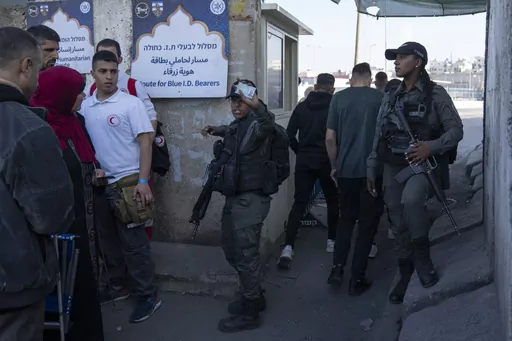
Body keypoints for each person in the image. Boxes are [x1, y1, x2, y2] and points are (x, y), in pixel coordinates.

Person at [367, 42, 463, 304]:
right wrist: (371, 166)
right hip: (392, 165)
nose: (396, 62)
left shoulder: (435, 94)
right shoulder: (391, 95)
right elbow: (378, 133)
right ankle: (404, 271)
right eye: (394, 58)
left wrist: (430, 147)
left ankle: (422, 259)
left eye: (402, 57)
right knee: (397, 221)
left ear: (418, 62)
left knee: (411, 202)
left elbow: (456, 131)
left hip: (420, 165)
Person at [0, 27, 74, 341]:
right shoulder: (27, 127)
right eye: (41, 68)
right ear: (26, 66)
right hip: (13, 288)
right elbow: (52, 217)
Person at [80, 50, 160, 323]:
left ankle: (148, 296)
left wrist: (142, 181)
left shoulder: (131, 104)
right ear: (93, 74)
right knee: (107, 243)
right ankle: (119, 287)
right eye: (103, 71)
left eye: (113, 71)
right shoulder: (86, 107)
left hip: (129, 183)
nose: (109, 77)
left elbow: (145, 142)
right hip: (100, 185)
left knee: (135, 245)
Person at [30, 66, 105, 341]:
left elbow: (87, 157)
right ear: (61, 96)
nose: (83, 96)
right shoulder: (40, 130)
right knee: (60, 298)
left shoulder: (75, 122)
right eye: (77, 92)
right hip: (58, 233)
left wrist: (95, 171)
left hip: (84, 226)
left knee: (83, 292)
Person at [200, 79, 276, 333]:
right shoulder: (239, 125)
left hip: (250, 201)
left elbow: (267, 124)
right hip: (236, 200)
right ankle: (253, 294)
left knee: (246, 256)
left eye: (241, 100)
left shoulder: (258, 124)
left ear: (252, 100)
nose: (236, 105)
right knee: (232, 250)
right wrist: (215, 129)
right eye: (233, 100)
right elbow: (233, 131)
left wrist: (259, 107)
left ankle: (251, 310)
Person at [325, 62, 385, 296]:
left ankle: (337, 269)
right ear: (370, 78)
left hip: (346, 171)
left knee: (346, 221)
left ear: (352, 78)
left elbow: (330, 138)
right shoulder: (380, 98)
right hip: (372, 173)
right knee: (367, 225)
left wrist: (334, 165)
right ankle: (357, 278)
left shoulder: (338, 99)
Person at [277, 73, 339, 269]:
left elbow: (288, 135)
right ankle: (331, 241)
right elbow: (338, 137)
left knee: (299, 203)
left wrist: (300, 150)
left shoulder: (301, 107)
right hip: (327, 162)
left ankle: (288, 247)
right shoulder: (334, 107)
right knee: (332, 201)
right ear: (332, 89)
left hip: (304, 161)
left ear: (314, 87)